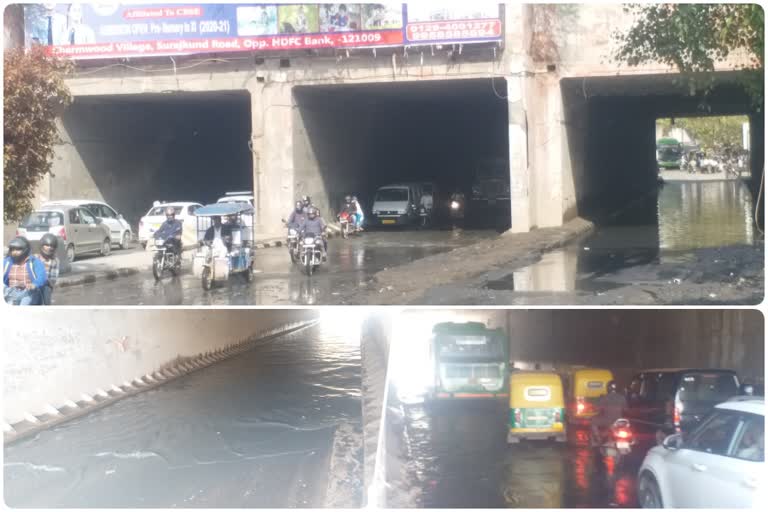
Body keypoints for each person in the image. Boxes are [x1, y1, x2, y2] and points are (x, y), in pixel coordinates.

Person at [3, 237, 47, 306]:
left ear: (25, 250)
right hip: (10, 292)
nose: (15, 252)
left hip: (28, 292)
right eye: (13, 249)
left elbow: (42, 276)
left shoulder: (33, 261)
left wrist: (35, 284)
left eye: (18, 249)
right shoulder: (7, 262)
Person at [591, 381, 628, 445]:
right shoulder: (622, 397)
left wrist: (599, 400)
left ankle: (598, 438)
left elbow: (597, 408)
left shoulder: (605, 397)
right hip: (619, 421)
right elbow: (625, 409)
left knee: (593, 421)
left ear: (608, 388)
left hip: (608, 420)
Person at [36, 233, 60, 305]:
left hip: (46, 286)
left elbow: (53, 279)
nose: (49, 247)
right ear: (42, 245)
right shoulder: (35, 258)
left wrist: (44, 281)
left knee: (46, 301)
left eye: (51, 246)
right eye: (47, 245)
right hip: (33, 285)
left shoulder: (55, 261)